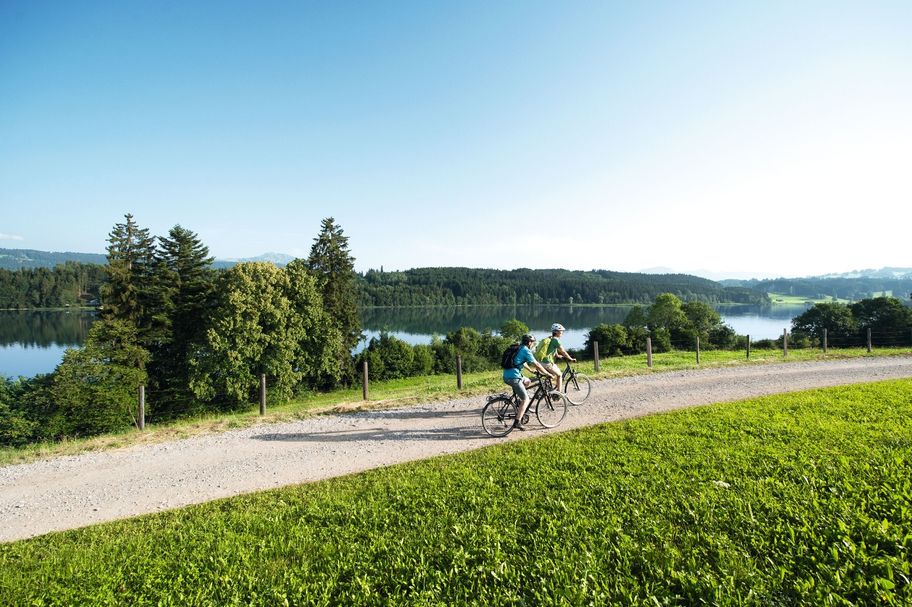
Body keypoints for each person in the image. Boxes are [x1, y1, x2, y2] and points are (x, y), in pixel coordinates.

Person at [503, 333, 556, 430]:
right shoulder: (526, 350)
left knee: (527, 381)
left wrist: (531, 371)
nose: (533, 344)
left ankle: (519, 402)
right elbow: (537, 364)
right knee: (526, 399)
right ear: (529, 342)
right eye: (532, 342)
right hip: (514, 378)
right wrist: (547, 374)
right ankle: (517, 422)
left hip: (507, 375)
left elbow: (522, 362)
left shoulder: (519, 348)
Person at [538, 323, 576, 392]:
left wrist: (557, 356)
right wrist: (570, 359)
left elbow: (552, 349)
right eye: (560, 331)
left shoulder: (550, 338)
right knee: (559, 375)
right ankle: (559, 394)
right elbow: (563, 351)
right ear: (556, 332)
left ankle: (547, 388)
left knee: (552, 374)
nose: (562, 332)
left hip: (541, 361)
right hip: (547, 362)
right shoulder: (556, 340)